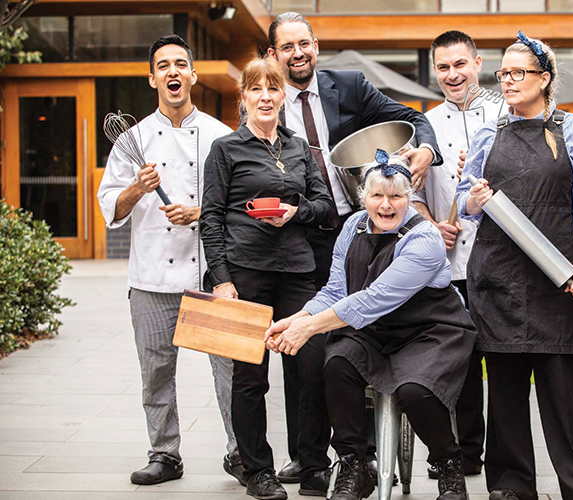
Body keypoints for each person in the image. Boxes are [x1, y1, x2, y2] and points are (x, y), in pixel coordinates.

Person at [265, 11, 443, 486]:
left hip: (361, 227)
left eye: (304, 44)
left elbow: (411, 117)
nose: (297, 54)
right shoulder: (267, 100)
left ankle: (361, 456)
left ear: (315, 45)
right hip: (298, 237)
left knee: (358, 331)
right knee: (304, 346)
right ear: (272, 55)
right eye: (287, 47)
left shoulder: (349, 85)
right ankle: (308, 457)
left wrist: (425, 150)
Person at [264, 151, 476, 500]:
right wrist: (295, 319)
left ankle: (449, 466)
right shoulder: (353, 226)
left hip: (429, 330)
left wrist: (310, 329)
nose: (386, 205)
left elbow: (373, 298)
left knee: (415, 390)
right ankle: (353, 465)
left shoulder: (424, 239)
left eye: (396, 196)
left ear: (409, 198)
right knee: (336, 365)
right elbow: (336, 290)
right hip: (373, 331)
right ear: (363, 197)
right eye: (377, 195)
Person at [456, 32, 573, 500]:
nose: (507, 81)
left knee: (566, 394)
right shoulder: (489, 133)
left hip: (559, 278)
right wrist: (473, 199)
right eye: (502, 73)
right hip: (498, 277)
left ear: (544, 79)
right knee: (503, 392)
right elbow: (465, 201)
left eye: (518, 73)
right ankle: (509, 485)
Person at [97, 34, 241, 486]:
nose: (173, 72)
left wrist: (200, 211)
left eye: (181, 64)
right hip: (152, 277)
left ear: (193, 75)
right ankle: (165, 453)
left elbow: (241, 203)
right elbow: (110, 209)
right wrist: (139, 188)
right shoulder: (132, 140)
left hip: (210, 273)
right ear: (152, 77)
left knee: (230, 372)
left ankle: (243, 452)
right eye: (164, 65)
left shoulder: (222, 135)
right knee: (156, 372)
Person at [200, 55, 334, 500]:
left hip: (297, 272)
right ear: (243, 98)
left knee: (312, 368)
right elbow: (211, 217)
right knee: (251, 377)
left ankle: (315, 464)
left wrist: (296, 212)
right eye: (256, 89)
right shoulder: (227, 149)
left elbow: (325, 208)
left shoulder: (298, 149)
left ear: (282, 97)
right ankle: (258, 470)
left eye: (273, 88)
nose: (266, 96)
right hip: (246, 273)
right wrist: (221, 279)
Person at [414, 29, 502, 480]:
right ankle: (466, 452)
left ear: (478, 63)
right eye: (444, 67)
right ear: (435, 71)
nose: (452, 75)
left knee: (503, 362)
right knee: (462, 364)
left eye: (460, 64)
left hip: (502, 261)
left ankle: (505, 457)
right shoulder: (425, 126)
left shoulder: (504, 113)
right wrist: (430, 222)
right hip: (449, 267)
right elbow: (412, 196)